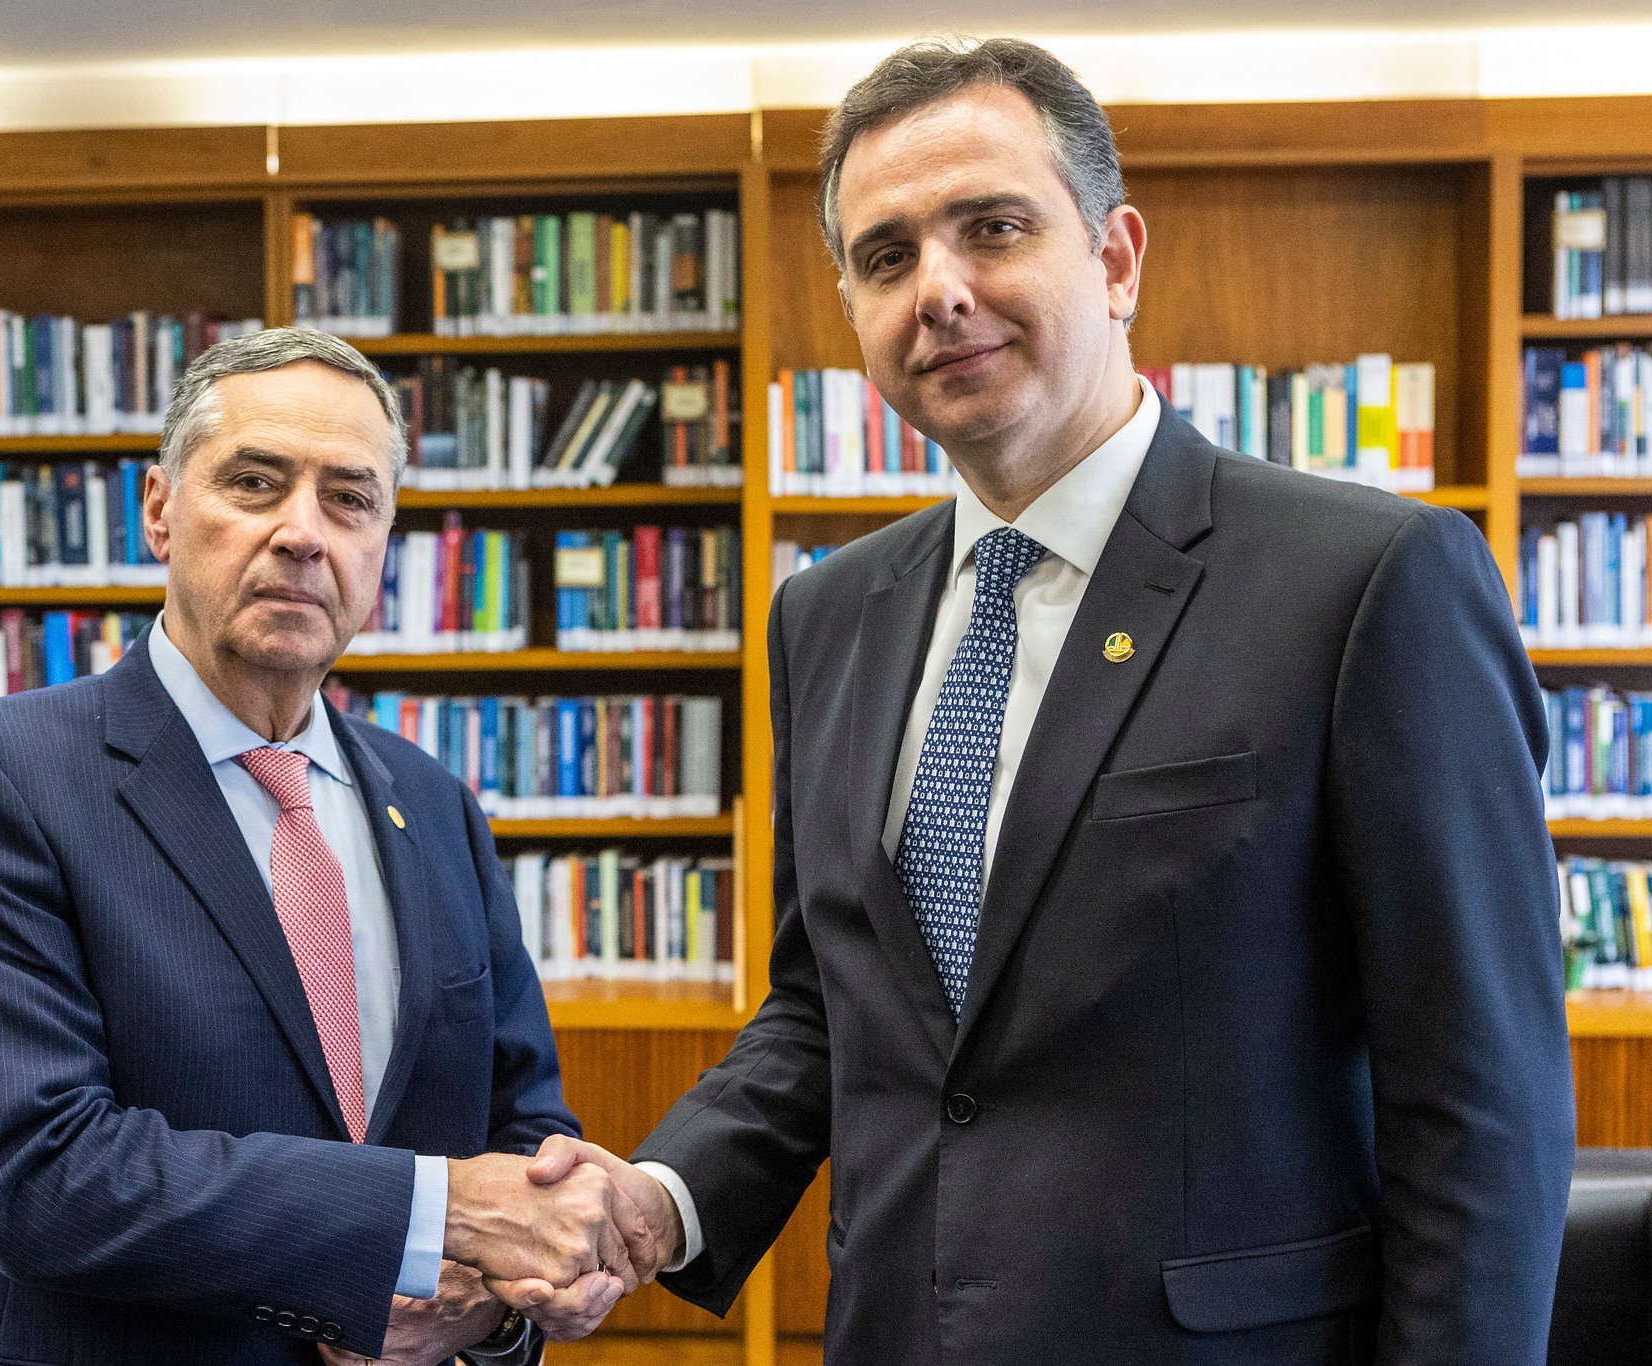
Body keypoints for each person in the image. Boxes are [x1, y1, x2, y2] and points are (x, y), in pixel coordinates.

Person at [510, 36, 1578, 1364]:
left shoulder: (1367, 582)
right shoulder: (826, 615)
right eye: (887, 257)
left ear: (1118, 258)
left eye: (994, 228)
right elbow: (826, 1005)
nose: (940, 292)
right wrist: (655, 1201)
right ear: (851, 305)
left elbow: (1481, 1099)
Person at [0, 328, 640, 1366]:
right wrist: (426, 1217)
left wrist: (500, 1302)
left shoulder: (434, 805)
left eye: (349, 498)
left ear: (384, 540)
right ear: (157, 507)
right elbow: (41, 1177)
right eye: (254, 481)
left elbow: (521, 1135)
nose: (302, 533)